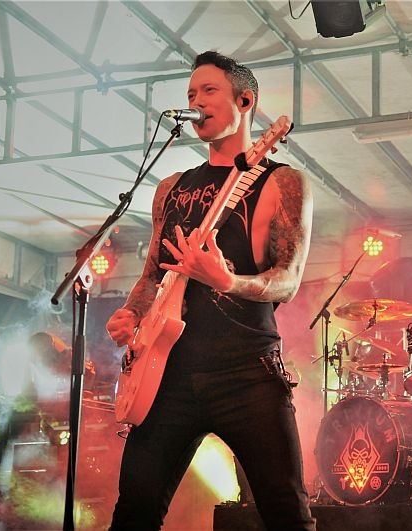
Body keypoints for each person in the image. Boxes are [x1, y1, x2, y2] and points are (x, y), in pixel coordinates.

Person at [105, 51, 315, 530]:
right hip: (168, 375)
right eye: (191, 93)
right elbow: (152, 275)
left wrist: (227, 281)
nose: (196, 101)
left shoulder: (283, 182)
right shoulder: (171, 188)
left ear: (245, 101)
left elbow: (288, 279)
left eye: (209, 90)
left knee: (287, 515)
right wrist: (132, 315)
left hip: (248, 373)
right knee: (132, 515)